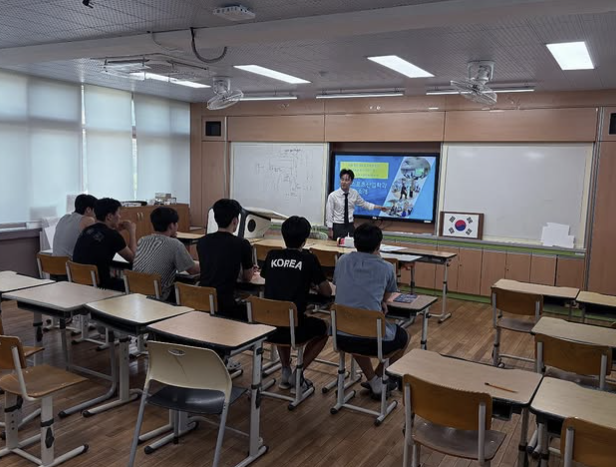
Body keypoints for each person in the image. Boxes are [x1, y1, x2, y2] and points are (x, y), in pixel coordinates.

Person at [333, 223, 409, 397]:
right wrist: (381, 301)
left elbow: (338, 283)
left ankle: (374, 380)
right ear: (378, 245)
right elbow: (388, 295)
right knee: (405, 336)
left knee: (355, 330)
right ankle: (379, 377)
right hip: (372, 340)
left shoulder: (342, 261)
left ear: (355, 242)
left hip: (341, 335)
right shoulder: (386, 267)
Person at [260, 216, 332, 392]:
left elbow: (268, 277)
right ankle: (298, 373)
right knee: (326, 328)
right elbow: (327, 292)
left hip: (268, 328)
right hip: (294, 328)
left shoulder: (272, 255)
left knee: (281, 315)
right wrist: (312, 284)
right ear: (305, 239)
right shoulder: (309, 259)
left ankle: (285, 369)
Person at [197, 199, 256, 320]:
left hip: (202, 302)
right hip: (225, 306)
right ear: (235, 221)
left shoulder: (202, 241)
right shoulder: (242, 244)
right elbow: (247, 277)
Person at [133, 207, 200, 302]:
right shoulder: (175, 244)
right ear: (171, 225)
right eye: (176, 223)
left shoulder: (142, 240)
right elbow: (192, 270)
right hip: (158, 296)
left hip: (137, 294)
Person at [72, 198, 137, 291]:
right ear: (109, 216)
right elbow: (133, 258)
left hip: (79, 283)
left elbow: (102, 239)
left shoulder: (87, 230)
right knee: (135, 284)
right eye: (118, 213)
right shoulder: (113, 235)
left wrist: (115, 230)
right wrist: (132, 231)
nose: (120, 217)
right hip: (100, 286)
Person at [325, 169, 386, 241]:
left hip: (350, 226)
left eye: (346, 180)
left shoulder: (354, 193)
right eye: (342, 179)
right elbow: (329, 214)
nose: (344, 182)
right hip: (338, 226)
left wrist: (378, 207)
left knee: (352, 245)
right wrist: (330, 229)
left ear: (351, 181)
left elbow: (364, 204)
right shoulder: (333, 196)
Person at [53, 194, 98, 258]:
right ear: (88, 209)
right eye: (96, 210)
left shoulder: (64, 218)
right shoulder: (88, 220)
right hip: (70, 263)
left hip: (53, 263)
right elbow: (100, 239)